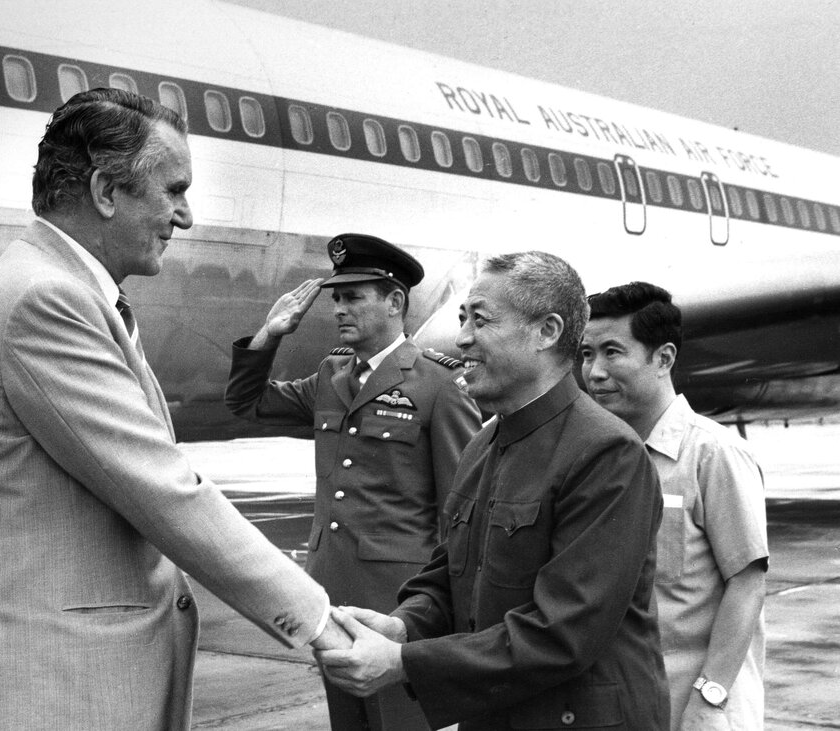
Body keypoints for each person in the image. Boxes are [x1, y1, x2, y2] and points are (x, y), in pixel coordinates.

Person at [0, 88, 348, 731]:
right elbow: (162, 488)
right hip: (37, 686)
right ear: (107, 190)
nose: (185, 216)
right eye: (173, 190)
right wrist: (318, 621)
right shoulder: (46, 299)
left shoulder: (62, 288)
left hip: (55, 676)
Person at [316, 251, 670, 730]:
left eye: (480, 321)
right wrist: (402, 625)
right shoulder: (485, 442)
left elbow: (563, 632)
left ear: (546, 332)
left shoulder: (607, 454)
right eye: (463, 319)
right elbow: (451, 573)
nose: (462, 338)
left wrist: (404, 661)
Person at [225, 233, 482, 730]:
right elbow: (247, 403)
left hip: (399, 600)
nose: (339, 309)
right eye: (336, 297)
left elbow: (461, 510)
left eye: (353, 296)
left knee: (397, 723)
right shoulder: (332, 375)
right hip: (331, 592)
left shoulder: (439, 384)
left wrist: (445, 613)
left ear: (394, 301)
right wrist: (270, 335)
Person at [581, 281, 768, 730]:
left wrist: (711, 697)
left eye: (612, 352)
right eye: (587, 354)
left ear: (663, 358)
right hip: (621, 705)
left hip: (695, 706)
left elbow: (747, 585)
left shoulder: (714, 453)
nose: (594, 372)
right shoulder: (596, 456)